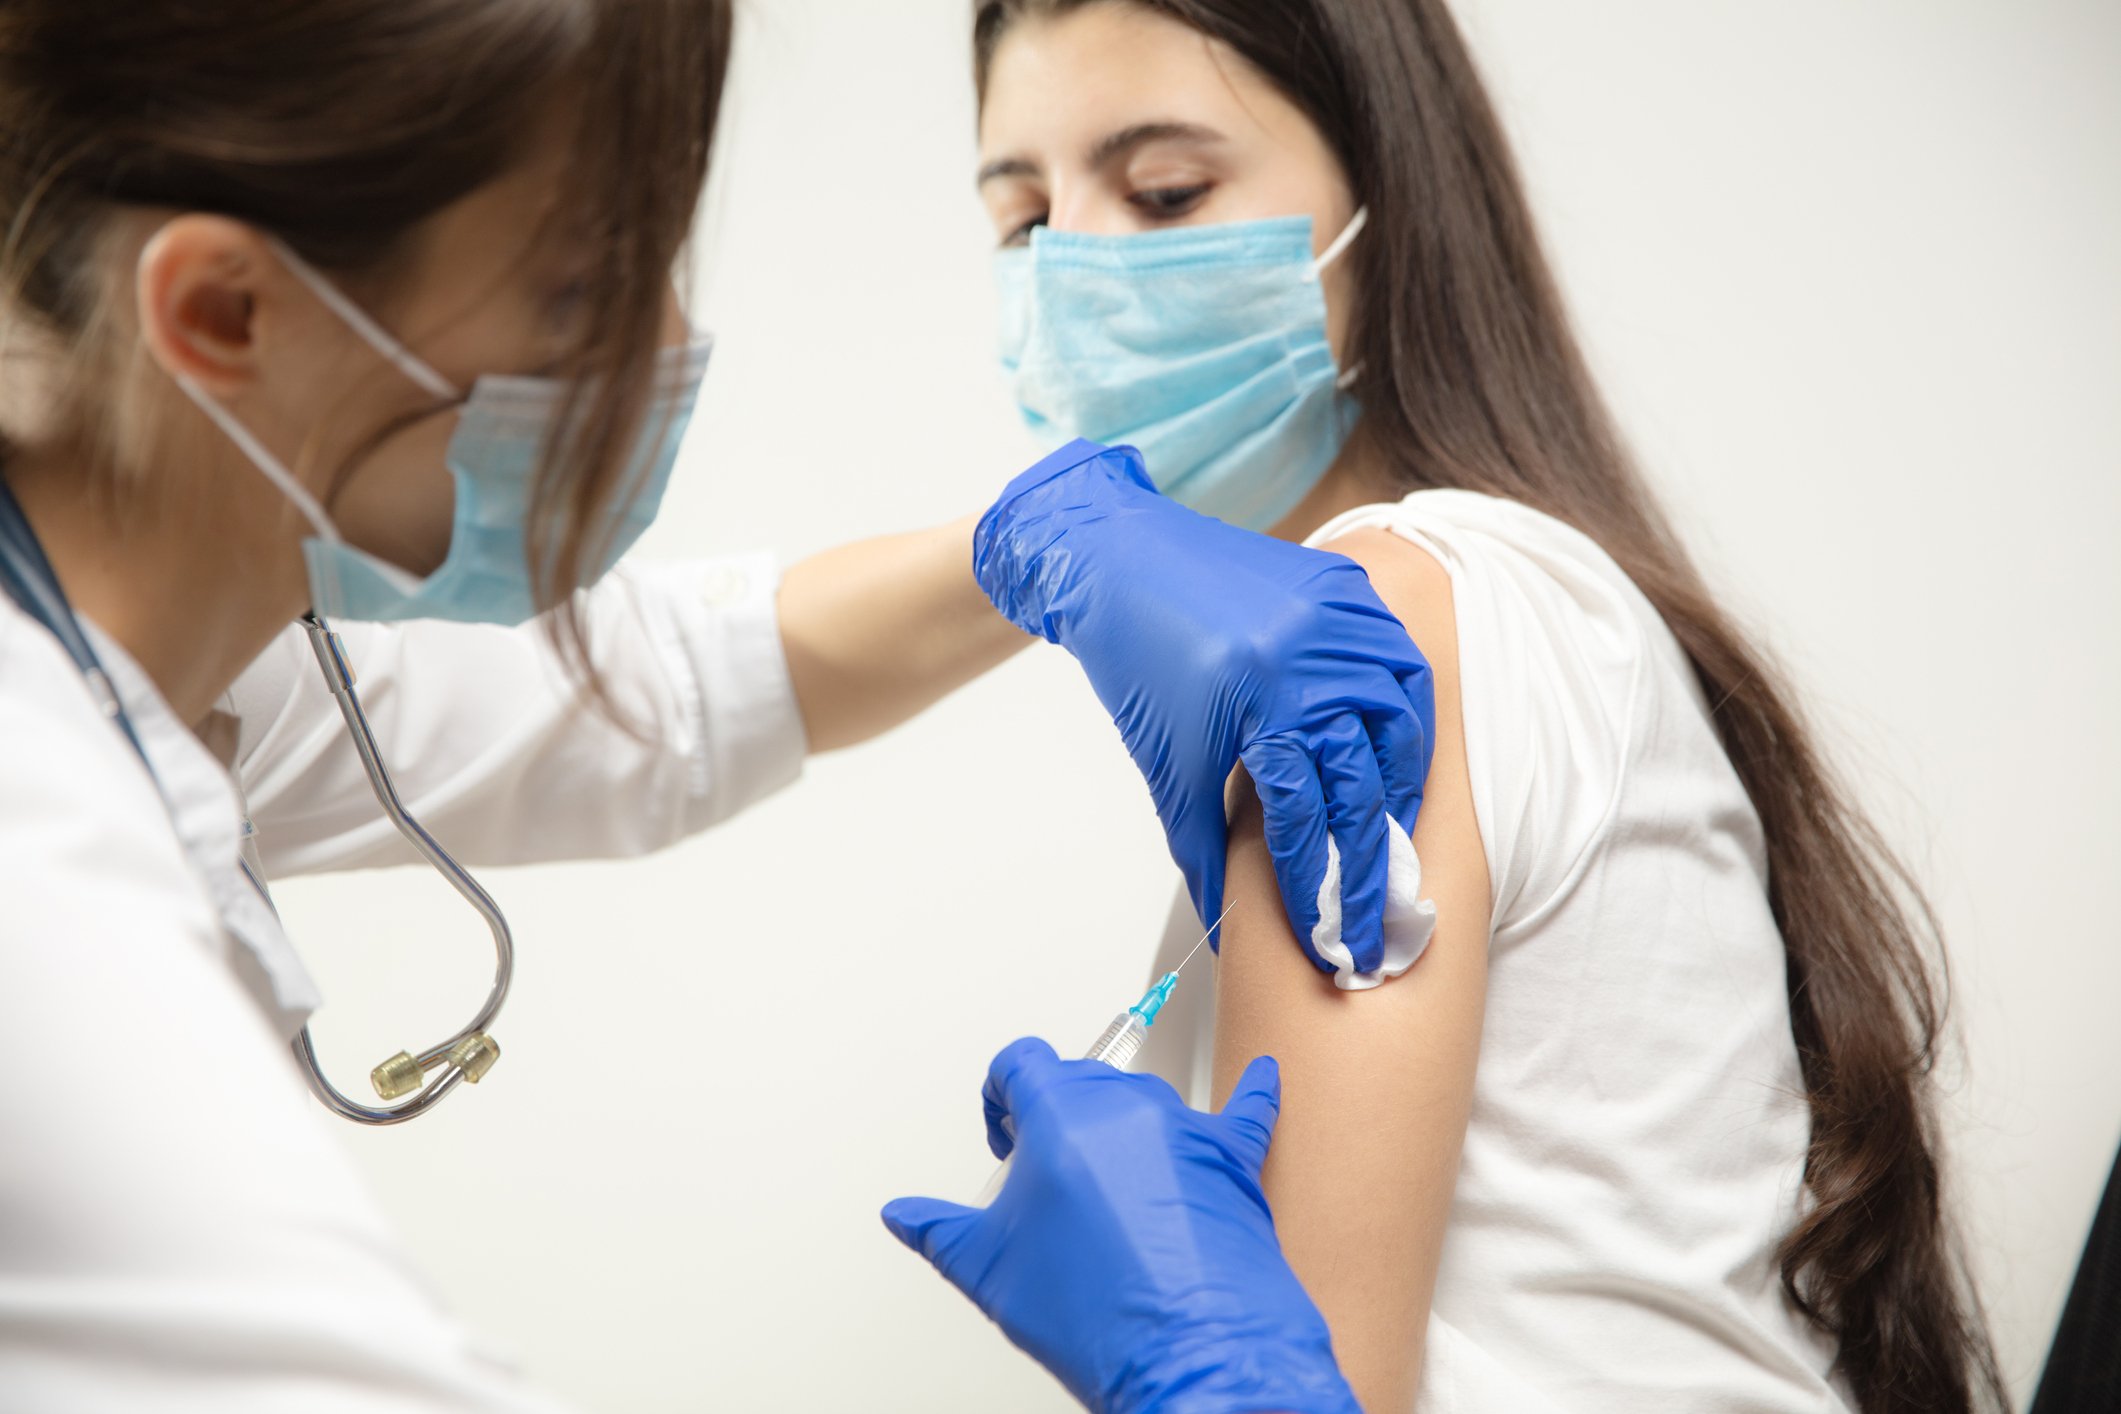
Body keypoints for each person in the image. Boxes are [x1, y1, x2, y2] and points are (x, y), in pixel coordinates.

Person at [0, 2, 1416, 1409]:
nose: (667, 344)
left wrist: (1038, 541)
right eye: (580, 289)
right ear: (221, 312)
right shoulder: (39, 882)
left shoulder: (168, 642)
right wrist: (1222, 1387)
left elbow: (664, 684)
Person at [901, 2, 2008, 1411]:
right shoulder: (1500, 597)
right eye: (1022, 223)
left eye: (1166, 190)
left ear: (1390, 194)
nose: (1076, 273)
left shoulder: (1380, 621)